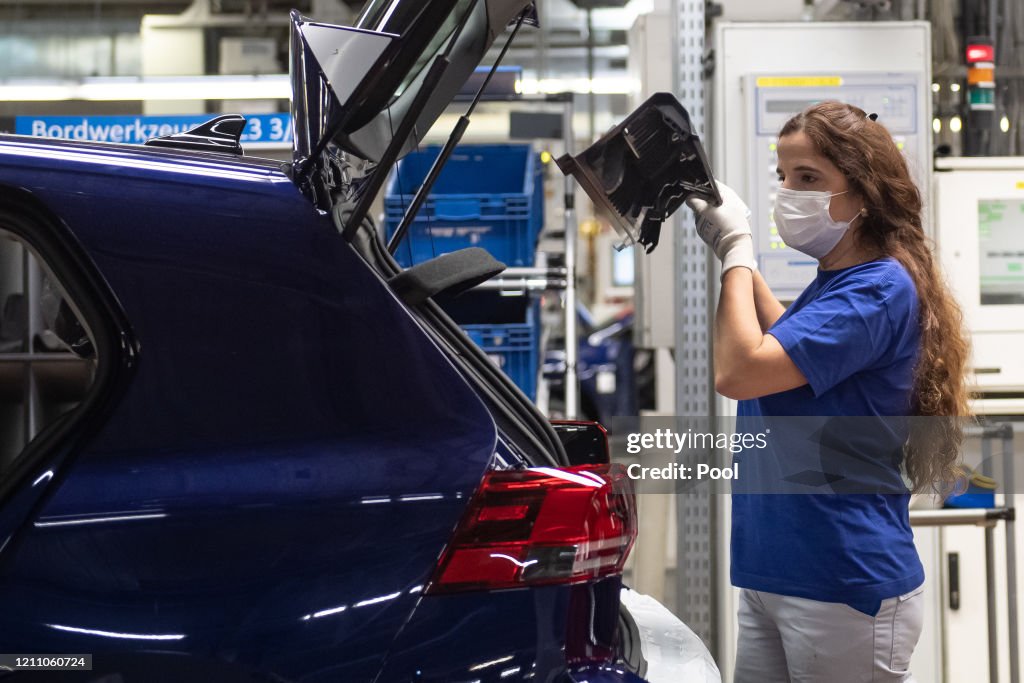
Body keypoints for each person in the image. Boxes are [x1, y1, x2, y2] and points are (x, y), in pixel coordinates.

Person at [686, 100, 971, 682]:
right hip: (778, 571)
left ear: (864, 193)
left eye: (809, 178)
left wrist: (739, 256)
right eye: (784, 177)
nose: (789, 193)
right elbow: (784, 341)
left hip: (842, 582)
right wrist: (731, 251)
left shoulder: (877, 290)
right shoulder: (837, 283)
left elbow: (740, 372)